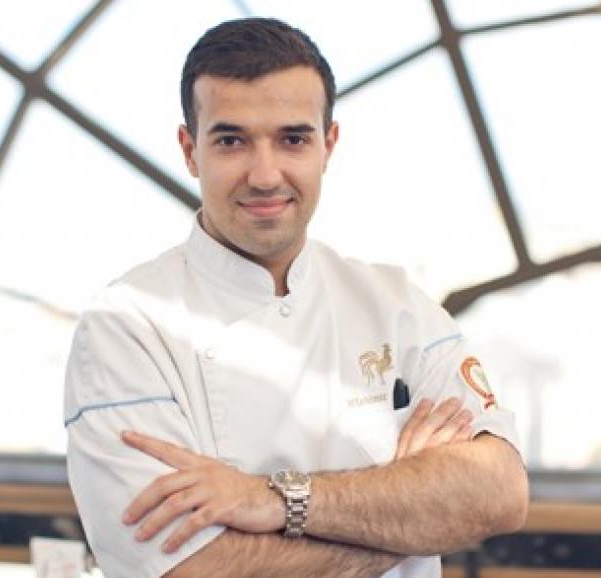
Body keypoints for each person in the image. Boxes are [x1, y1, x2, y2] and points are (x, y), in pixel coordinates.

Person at [63, 17, 528, 578]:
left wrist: (274, 500)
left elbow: (499, 492)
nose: (265, 175)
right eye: (231, 141)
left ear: (328, 145)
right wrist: (411, 519)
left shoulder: (399, 305)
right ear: (190, 151)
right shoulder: (126, 326)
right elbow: (193, 571)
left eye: (293, 139)